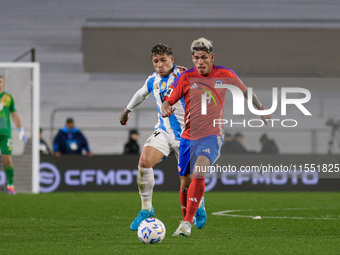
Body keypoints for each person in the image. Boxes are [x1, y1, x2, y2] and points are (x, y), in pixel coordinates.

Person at [161, 37, 271, 237]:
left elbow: (246, 92)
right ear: (192, 59)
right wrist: (165, 107)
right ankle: (193, 211)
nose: (200, 62)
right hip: (188, 136)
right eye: (196, 58)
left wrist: (261, 109)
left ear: (211, 57)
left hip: (212, 135)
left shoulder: (225, 74)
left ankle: (186, 223)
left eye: (204, 57)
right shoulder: (185, 78)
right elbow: (169, 100)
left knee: (200, 171)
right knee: (185, 184)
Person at [119, 43, 206, 231]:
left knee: (188, 183)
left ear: (172, 60)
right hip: (164, 132)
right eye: (156, 61)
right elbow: (141, 94)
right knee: (144, 161)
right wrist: (127, 110)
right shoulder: (153, 80)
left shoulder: (184, 75)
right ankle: (146, 209)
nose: (159, 65)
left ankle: (199, 206)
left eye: (163, 60)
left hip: (187, 135)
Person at [0, 75, 26, 194]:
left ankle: (10, 185)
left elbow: (14, 115)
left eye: (0, 81)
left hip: (5, 133)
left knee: (8, 161)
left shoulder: (8, 97)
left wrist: (21, 130)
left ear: (3, 83)